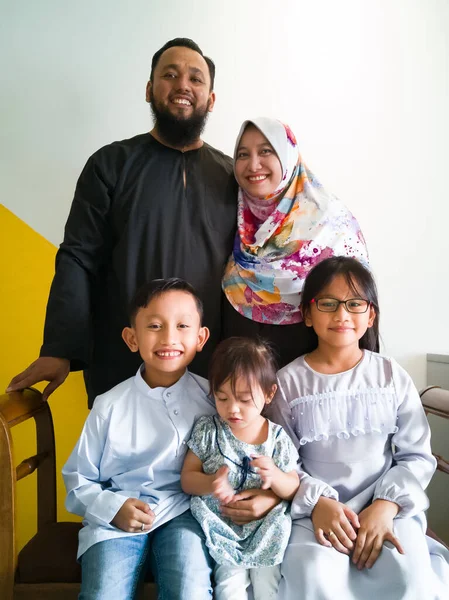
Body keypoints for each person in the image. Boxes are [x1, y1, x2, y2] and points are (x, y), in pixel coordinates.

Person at [7, 38, 237, 407]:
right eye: (170, 74)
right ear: (149, 90)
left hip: (211, 371)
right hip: (121, 366)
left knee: (204, 465)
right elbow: (78, 257)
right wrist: (60, 347)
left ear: (210, 99)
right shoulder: (110, 165)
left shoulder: (233, 178)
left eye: (196, 79)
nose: (182, 85)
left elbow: (250, 274)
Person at [267, 256, 449, 599]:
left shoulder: (390, 375)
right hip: (316, 512)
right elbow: (283, 461)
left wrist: (386, 506)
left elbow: (416, 455)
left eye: (354, 304)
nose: (341, 314)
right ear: (307, 313)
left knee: (409, 579)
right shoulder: (288, 382)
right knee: (314, 577)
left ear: (370, 315)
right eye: (328, 304)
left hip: (388, 508)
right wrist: (319, 503)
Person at [62, 278, 216, 599]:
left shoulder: (214, 399)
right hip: (116, 516)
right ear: (132, 338)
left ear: (201, 337)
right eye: (155, 326)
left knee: (190, 589)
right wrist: (112, 507)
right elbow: (78, 481)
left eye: (183, 325)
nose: (169, 337)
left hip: (184, 513)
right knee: (103, 593)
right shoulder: (109, 405)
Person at [222, 117, 368, 368]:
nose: (253, 164)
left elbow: (357, 311)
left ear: (288, 157)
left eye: (266, 151)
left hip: (317, 382)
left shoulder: (331, 222)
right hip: (245, 391)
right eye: (243, 154)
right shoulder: (229, 217)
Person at [181, 337, 299, 600]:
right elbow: (187, 479)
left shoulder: (277, 438)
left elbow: (293, 486)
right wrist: (210, 483)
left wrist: (276, 477)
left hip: (267, 530)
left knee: (269, 586)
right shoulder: (208, 431)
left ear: (269, 394)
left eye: (245, 400)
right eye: (222, 397)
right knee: (229, 587)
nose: (232, 409)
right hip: (223, 529)